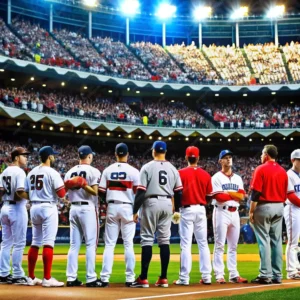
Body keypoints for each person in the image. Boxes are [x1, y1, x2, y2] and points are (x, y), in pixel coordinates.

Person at [131, 141, 183, 288]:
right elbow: (178, 192)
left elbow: (141, 191)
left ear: (153, 151)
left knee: (147, 239)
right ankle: (164, 278)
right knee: (164, 240)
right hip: (168, 203)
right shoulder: (173, 169)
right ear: (165, 152)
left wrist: (135, 210)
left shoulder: (147, 167)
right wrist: (177, 210)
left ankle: (143, 278)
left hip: (151, 202)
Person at [20, 146, 66, 287]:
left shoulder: (31, 172)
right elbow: (62, 194)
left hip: (34, 207)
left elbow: (25, 193)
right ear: (49, 157)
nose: (54, 157)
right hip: (48, 207)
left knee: (35, 242)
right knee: (48, 243)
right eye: (53, 155)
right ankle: (47, 278)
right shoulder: (52, 172)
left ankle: (31, 277)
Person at [98, 143, 139, 287]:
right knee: (128, 244)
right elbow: (138, 193)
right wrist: (136, 211)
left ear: (115, 154)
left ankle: (104, 278)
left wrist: (108, 203)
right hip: (128, 207)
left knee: (109, 245)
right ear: (127, 154)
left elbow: (101, 192)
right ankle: (129, 278)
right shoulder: (134, 171)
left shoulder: (108, 170)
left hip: (112, 206)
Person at [173, 146, 212, 286]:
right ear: (198, 158)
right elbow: (209, 197)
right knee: (203, 244)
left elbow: (176, 194)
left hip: (186, 210)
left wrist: (176, 210)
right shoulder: (206, 174)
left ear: (186, 158)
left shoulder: (180, 173)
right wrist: (202, 204)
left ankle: (184, 278)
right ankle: (207, 276)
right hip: (201, 209)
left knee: (186, 245)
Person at [249, 145, 288, 284]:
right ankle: (277, 275)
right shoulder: (283, 171)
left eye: (261, 154)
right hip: (279, 207)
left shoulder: (261, 168)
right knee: (276, 241)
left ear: (266, 155)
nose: (260, 156)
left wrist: (251, 210)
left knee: (263, 240)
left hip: (264, 206)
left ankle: (265, 274)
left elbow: (256, 193)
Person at [65, 146, 101, 287]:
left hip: (73, 208)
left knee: (74, 246)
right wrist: (84, 185)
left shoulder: (69, 172)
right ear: (90, 156)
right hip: (88, 209)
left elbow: (66, 191)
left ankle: (71, 277)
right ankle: (91, 278)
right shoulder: (93, 171)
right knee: (91, 245)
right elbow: (95, 192)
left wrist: (78, 183)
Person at [211, 150, 248, 284]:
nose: (228, 160)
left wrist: (228, 193)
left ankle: (233, 274)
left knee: (233, 246)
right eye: (225, 158)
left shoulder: (238, 178)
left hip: (235, 213)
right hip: (221, 212)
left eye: (230, 157)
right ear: (220, 161)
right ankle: (219, 274)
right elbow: (219, 197)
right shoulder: (216, 177)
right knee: (220, 244)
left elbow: (242, 196)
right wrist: (234, 194)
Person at [0, 147, 30, 285]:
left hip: (5, 206)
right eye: (24, 155)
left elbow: (0, 191)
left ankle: (3, 273)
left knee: (6, 243)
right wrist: (31, 197)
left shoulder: (5, 171)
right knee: (19, 243)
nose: (26, 158)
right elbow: (19, 194)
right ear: (17, 157)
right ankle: (17, 274)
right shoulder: (20, 172)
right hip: (17, 208)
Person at [284, 149, 300, 279]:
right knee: (293, 241)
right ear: (293, 160)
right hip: (292, 208)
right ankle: (291, 271)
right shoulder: (288, 175)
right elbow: (291, 196)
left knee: (297, 243)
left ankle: (297, 267)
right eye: (299, 160)